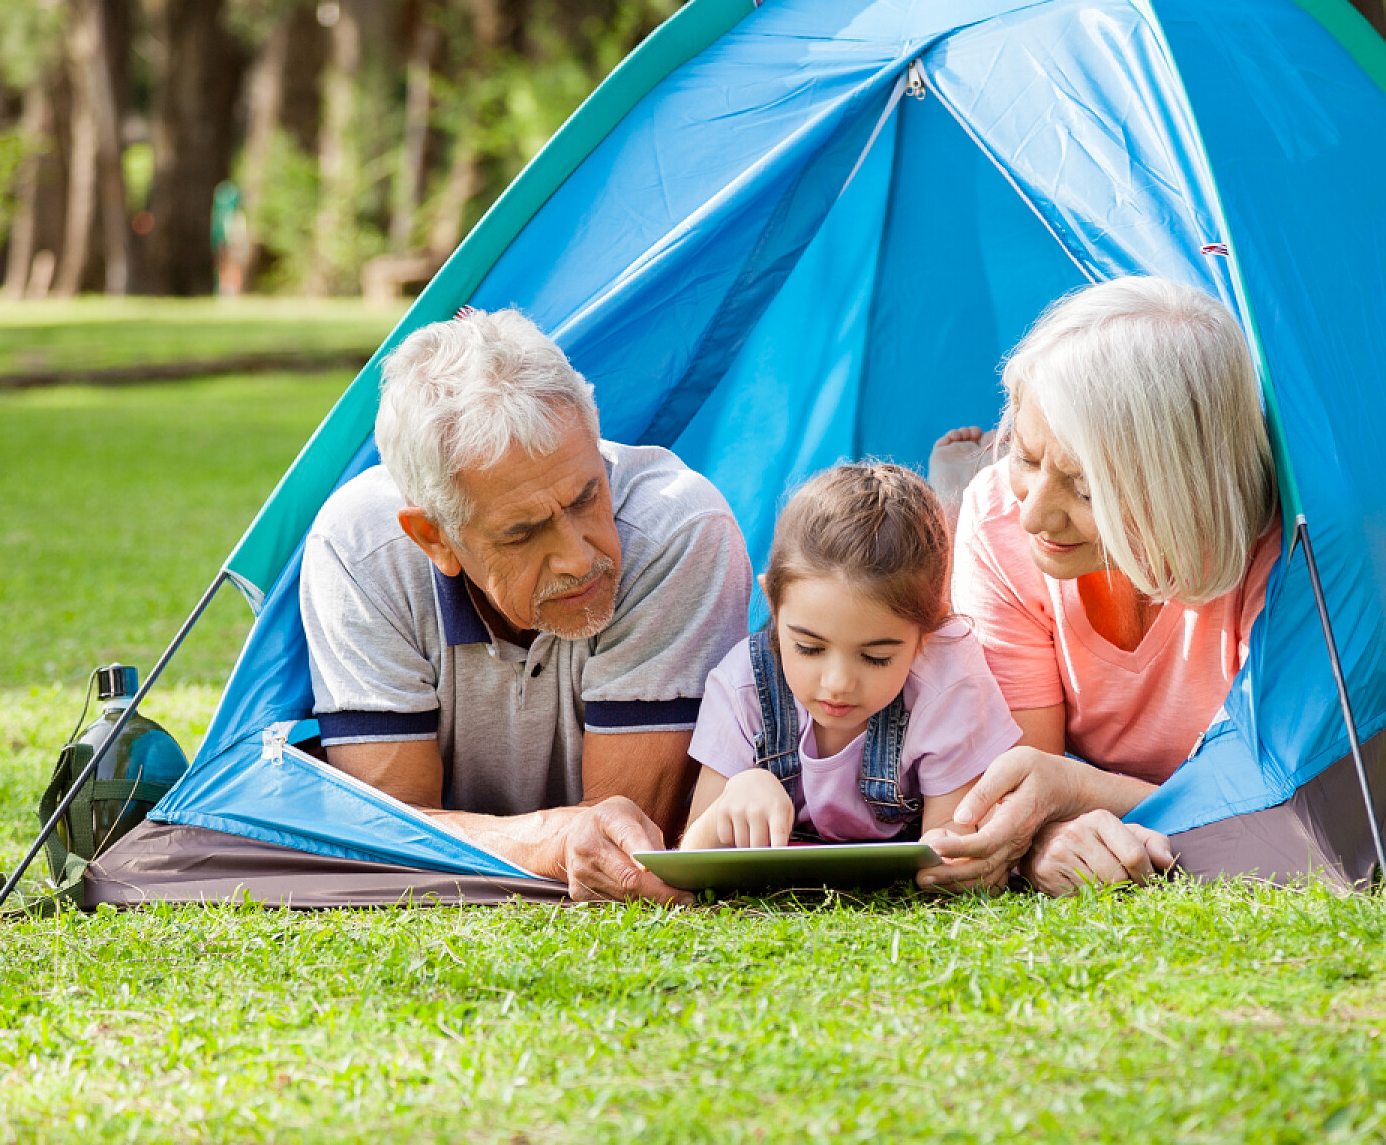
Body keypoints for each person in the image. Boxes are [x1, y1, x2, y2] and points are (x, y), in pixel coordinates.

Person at [298, 307, 752, 902]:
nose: (579, 559)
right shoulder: (358, 550)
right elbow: (389, 827)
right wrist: (550, 841)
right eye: (522, 533)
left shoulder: (677, 529)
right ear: (434, 538)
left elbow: (627, 844)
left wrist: (536, 841)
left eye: (587, 497)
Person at [919, 277, 1282, 895]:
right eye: (1026, 458)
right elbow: (1021, 778)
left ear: (1186, 486)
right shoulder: (1000, 520)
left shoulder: (1277, 555)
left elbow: (1281, 796)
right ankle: (947, 489)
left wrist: (1078, 789)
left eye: (1088, 490)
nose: (1034, 515)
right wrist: (1044, 832)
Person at [682, 464, 1021, 850]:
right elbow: (690, 857)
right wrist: (732, 801)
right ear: (773, 605)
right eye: (809, 648)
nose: (838, 683)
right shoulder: (743, 687)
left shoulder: (947, 679)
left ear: (927, 635)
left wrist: (954, 850)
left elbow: (955, 843)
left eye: (876, 657)